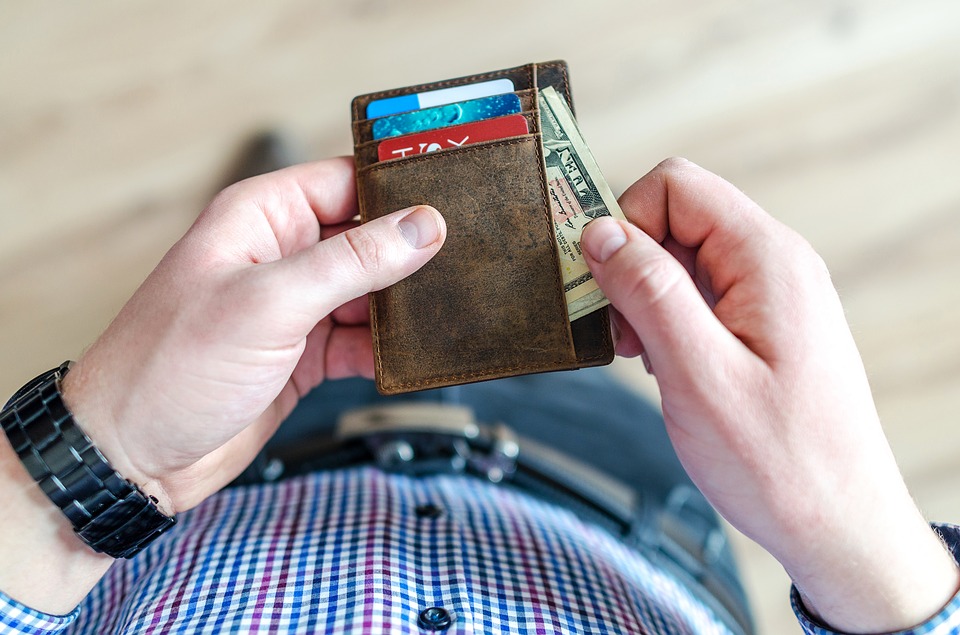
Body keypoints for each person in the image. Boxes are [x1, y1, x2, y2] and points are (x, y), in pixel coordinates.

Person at [1, 156, 958, 635]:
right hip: (625, 473)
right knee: (494, 309)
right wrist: (849, 528)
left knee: (294, 285)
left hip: (219, 463)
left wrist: (90, 462)